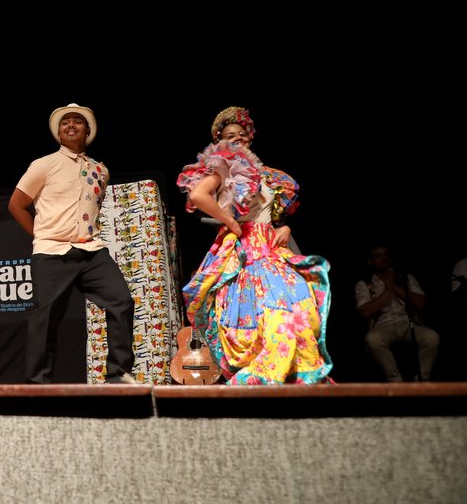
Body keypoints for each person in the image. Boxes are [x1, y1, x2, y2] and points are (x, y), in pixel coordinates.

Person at [176, 106, 332, 384]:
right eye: (229, 136)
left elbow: (269, 216)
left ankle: (295, 380)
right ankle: (265, 377)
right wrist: (230, 222)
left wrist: (284, 226)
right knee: (269, 318)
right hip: (247, 252)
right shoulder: (225, 167)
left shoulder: (267, 175)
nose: (236, 139)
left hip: (272, 249)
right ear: (221, 142)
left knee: (302, 309)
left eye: (240, 134)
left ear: (249, 137)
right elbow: (199, 195)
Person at [9, 103, 136, 384]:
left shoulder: (100, 170)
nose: (71, 126)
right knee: (46, 319)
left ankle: (118, 375)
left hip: (91, 250)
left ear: (87, 131)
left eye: (77, 122)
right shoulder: (43, 165)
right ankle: (37, 384)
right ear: (58, 132)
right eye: (65, 122)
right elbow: (17, 205)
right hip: (53, 251)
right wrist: (40, 234)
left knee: (121, 301)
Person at [354, 244, 440, 381]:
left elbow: (421, 304)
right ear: (370, 261)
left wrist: (394, 285)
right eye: (378, 256)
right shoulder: (364, 284)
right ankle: (395, 380)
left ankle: (422, 379)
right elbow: (365, 312)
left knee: (432, 337)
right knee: (373, 339)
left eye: (386, 255)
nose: (384, 259)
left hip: (409, 322)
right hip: (383, 326)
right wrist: (388, 290)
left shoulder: (406, 278)